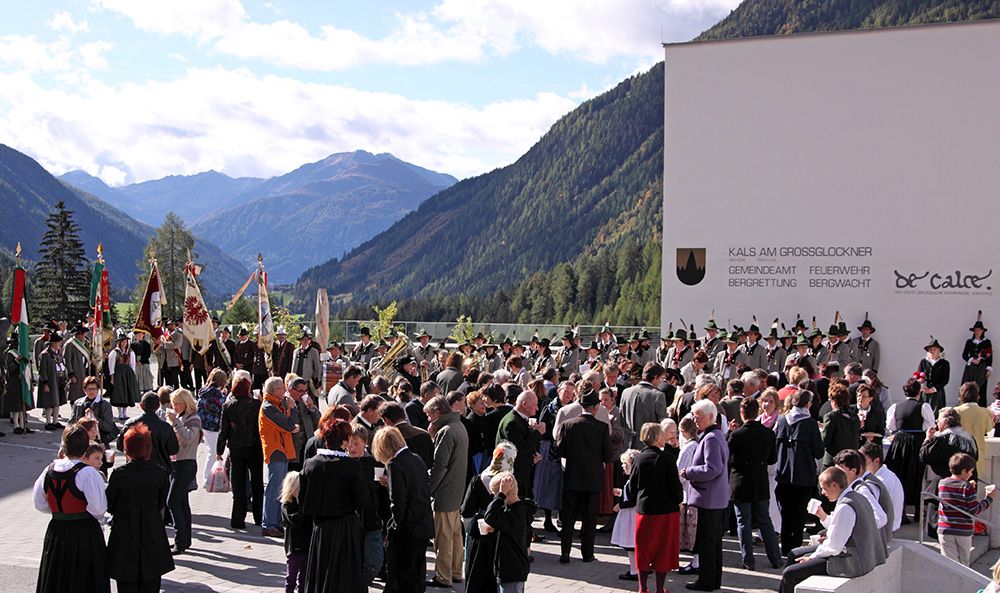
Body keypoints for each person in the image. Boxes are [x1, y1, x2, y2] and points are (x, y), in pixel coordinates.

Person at [777, 467, 887, 593]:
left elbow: (834, 547)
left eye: (824, 488)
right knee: (793, 555)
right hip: (855, 554)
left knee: (790, 573)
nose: (823, 493)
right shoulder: (856, 497)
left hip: (851, 562)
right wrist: (823, 517)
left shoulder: (845, 507)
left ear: (834, 485)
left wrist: (812, 557)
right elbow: (840, 531)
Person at [32, 424, 110, 593]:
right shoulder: (88, 473)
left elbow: (39, 503)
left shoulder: (49, 470)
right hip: (84, 533)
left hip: (57, 531)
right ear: (84, 448)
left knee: (57, 577)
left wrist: (60, 513)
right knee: (84, 580)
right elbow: (98, 509)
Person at [300, 419, 372, 593]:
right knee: (344, 575)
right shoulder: (351, 466)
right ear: (345, 440)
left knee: (321, 572)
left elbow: (302, 501)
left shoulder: (310, 464)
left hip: (320, 528)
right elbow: (364, 501)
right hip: (346, 527)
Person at [106, 424, 175, 593]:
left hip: (125, 533)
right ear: (148, 448)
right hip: (152, 531)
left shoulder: (119, 474)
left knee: (126, 585)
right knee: (151, 584)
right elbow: (161, 503)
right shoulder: (160, 473)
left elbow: (109, 505)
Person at [554, 386, 613, 563]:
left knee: (568, 517)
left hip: (572, 477)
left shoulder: (568, 425)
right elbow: (608, 455)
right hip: (593, 479)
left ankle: (565, 553)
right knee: (590, 518)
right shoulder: (602, 428)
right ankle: (587, 554)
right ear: (596, 408)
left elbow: (560, 451)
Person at [374, 426, 435, 593]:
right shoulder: (416, 459)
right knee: (416, 575)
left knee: (401, 577)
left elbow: (398, 503)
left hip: (406, 529)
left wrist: (392, 528)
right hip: (422, 525)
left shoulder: (394, 465)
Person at [727, 397, 782, 570]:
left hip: (741, 480)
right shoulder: (768, 433)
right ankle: (776, 558)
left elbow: (727, 457)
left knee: (743, 521)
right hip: (760, 480)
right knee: (765, 520)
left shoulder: (736, 435)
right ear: (757, 411)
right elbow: (772, 459)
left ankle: (748, 560)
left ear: (742, 413)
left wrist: (729, 433)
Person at [627, 422, 683, 593]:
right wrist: (678, 500)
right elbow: (676, 487)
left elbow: (632, 487)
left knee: (643, 549)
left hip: (644, 510)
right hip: (666, 512)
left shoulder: (638, 459)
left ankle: (642, 588)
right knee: (663, 550)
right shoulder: (667, 459)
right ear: (658, 438)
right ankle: (660, 588)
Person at [680, 399, 730, 592]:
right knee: (714, 543)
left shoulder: (711, 438)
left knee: (708, 543)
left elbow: (712, 468)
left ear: (711, 417)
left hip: (709, 498)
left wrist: (689, 472)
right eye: (694, 416)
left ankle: (707, 581)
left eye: (698, 416)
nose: (695, 420)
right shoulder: (715, 436)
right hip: (713, 497)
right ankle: (713, 579)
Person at [425, 395, 470, 589]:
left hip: (444, 491)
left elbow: (439, 466)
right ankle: (455, 572)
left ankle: (443, 576)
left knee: (443, 537)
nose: (428, 419)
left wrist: (428, 490)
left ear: (437, 412)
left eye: (428, 415)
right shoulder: (459, 426)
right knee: (455, 535)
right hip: (457, 488)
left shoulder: (446, 430)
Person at [774, 389, 824, 556]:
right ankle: (795, 550)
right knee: (799, 515)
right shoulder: (810, 424)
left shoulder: (781, 421)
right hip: (804, 477)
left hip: (783, 476)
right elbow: (819, 451)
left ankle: (786, 547)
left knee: (786, 514)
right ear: (808, 404)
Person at [463, 442, 517, 593]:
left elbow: (466, 510)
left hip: (480, 532)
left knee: (477, 574)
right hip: (503, 535)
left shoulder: (479, 479)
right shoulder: (513, 482)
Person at [886, 377, 936, 521]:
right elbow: (929, 426)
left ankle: (901, 512)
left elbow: (891, 427)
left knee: (900, 475)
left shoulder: (895, 407)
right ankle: (918, 512)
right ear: (919, 392)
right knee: (917, 476)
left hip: (900, 442)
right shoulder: (923, 406)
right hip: (917, 442)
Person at [217, 374, 264, 529]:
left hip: (236, 448)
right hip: (254, 447)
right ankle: (259, 517)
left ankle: (238, 519)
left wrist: (219, 450)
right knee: (257, 483)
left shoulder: (228, 406)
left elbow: (223, 430)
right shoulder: (257, 404)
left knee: (238, 485)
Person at [260, 376, 300, 537]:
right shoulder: (268, 407)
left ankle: (274, 522)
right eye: (282, 388)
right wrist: (293, 408)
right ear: (275, 390)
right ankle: (269, 524)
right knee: (273, 488)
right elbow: (290, 426)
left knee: (278, 487)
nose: (285, 391)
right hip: (276, 450)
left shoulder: (275, 404)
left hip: (282, 449)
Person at [938, 452, 996, 565]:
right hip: (963, 530)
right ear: (964, 471)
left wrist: (968, 487)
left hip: (945, 529)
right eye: (970, 471)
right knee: (964, 565)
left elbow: (954, 495)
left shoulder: (942, 483)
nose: (971, 474)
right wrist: (989, 498)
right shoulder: (966, 487)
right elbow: (974, 510)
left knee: (948, 563)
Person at [484, 472, 536, 593]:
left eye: (495, 494)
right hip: (514, 568)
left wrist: (501, 495)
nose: (494, 497)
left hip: (511, 570)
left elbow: (490, 516)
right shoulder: (520, 509)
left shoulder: (516, 513)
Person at [165, 388, 203, 554]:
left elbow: (187, 438)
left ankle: (181, 541)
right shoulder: (181, 417)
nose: (174, 406)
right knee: (182, 502)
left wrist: (175, 422)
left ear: (185, 403)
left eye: (177, 403)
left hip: (186, 463)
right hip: (178, 463)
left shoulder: (193, 418)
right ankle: (184, 540)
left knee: (172, 501)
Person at [496, 391, 544, 499]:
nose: (537, 408)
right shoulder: (512, 422)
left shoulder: (519, 419)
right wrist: (538, 433)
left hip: (520, 474)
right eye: (534, 405)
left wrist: (532, 456)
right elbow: (518, 449)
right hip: (514, 477)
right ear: (524, 404)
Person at [118, 392, 180, 475]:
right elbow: (173, 449)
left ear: (141, 405)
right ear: (158, 407)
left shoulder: (130, 424)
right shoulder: (165, 427)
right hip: (160, 469)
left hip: (135, 469)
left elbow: (120, 445)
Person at [619, 362, 668, 449]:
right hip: (648, 445)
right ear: (655, 377)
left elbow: (621, 419)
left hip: (627, 444)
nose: (661, 382)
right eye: (661, 379)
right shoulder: (658, 395)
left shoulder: (626, 392)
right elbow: (662, 423)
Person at [860, 442, 904, 533]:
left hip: (884, 529)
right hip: (890, 525)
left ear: (876, 461)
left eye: (864, 462)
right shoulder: (888, 475)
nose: (860, 465)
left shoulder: (879, 482)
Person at [611, 449, 640, 581]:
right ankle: (637, 569)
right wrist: (621, 493)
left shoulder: (634, 480)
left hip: (631, 517)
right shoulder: (632, 480)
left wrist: (620, 505)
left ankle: (635, 571)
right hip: (630, 516)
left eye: (625, 463)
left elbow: (633, 500)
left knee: (631, 545)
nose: (623, 466)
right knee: (632, 546)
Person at [954, 381, 993, 477]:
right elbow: (988, 429)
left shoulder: (955, 411)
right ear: (977, 395)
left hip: (958, 452)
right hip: (977, 452)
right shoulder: (985, 412)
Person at [196, 368, 227, 488]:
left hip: (204, 425)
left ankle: (209, 478)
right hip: (213, 426)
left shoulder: (204, 391)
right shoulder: (216, 394)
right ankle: (207, 479)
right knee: (213, 452)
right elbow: (222, 407)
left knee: (211, 451)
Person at [280, 471, 308, 593]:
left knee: (304, 578)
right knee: (291, 577)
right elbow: (296, 520)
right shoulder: (286, 505)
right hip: (294, 546)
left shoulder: (301, 503)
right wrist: (304, 507)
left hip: (306, 545)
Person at [821, 383, 860, 467]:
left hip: (833, 460)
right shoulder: (854, 416)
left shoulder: (831, 416)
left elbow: (825, 440)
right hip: (850, 461)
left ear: (834, 401)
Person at [70, 376, 117, 445]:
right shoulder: (78, 403)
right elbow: (71, 423)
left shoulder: (105, 404)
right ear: (84, 390)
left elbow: (108, 426)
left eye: (94, 389)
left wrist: (94, 417)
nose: (92, 391)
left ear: (98, 390)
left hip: (100, 442)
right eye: (89, 389)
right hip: (81, 441)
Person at [37, 332, 67, 430]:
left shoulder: (58, 353)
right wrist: (45, 383)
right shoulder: (45, 355)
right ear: (53, 343)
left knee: (57, 402)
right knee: (49, 402)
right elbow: (43, 370)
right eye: (59, 342)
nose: (60, 344)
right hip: (50, 381)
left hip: (59, 380)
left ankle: (55, 421)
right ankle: (48, 422)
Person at [961, 314, 992, 406]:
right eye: (975, 330)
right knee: (968, 387)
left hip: (981, 368)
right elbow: (964, 355)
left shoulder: (986, 342)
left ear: (982, 331)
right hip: (970, 368)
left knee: (981, 387)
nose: (977, 332)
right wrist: (971, 360)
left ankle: (981, 407)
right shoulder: (969, 342)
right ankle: (966, 405)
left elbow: (989, 355)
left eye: (979, 330)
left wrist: (988, 368)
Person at [108, 333, 140, 420]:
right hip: (118, 374)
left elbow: (132, 364)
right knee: (119, 392)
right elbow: (111, 365)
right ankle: (120, 412)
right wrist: (112, 377)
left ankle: (125, 412)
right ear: (119, 342)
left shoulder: (131, 352)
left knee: (127, 392)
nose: (124, 343)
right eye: (123, 341)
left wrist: (132, 375)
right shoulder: (114, 352)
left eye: (126, 341)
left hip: (127, 374)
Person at [919, 336, 950, 415]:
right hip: (925, 391)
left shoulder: (944, 363)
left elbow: (945, 380)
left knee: (937, 413)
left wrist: (934, 389)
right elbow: (919, 375)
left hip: (937, 392)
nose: (932, 351)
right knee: (924, 413)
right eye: (930, 350)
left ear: (939, 350)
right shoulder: (923, 362)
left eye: (934, 349)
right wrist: (923, 385)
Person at [291, 332, 323, 400]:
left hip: (308, 381)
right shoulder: (296, 351)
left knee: (311, 400)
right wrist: (292, 378)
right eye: (303, 339)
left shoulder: (314, 351)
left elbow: (317, 367)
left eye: (307, 339)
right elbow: (293, 366)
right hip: (297, 380)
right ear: (300, 341)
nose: (305, 341)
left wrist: (316, 380)